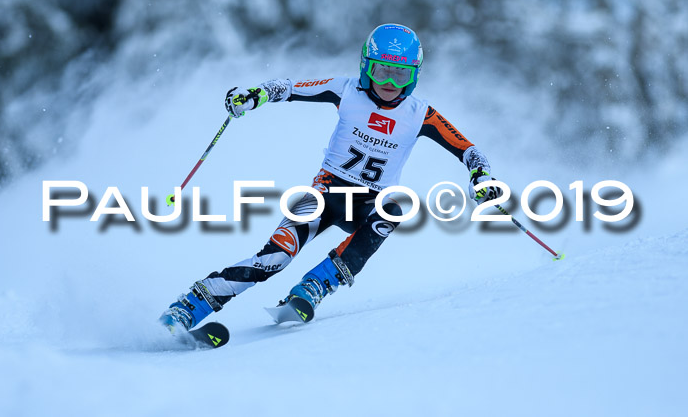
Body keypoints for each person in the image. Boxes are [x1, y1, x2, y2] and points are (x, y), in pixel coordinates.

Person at [160, 23, 502, 332]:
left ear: (414, 76)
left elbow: (468, 149)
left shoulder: (418, 113)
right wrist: (254, 95)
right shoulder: (347, 90)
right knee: (273, 260)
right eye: (382, 71)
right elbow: (290, 87)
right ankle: (189, 307)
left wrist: (481, 176)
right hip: (324, 195)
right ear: (367, 66)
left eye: (400, 76)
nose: (388, 84)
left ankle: (316, 285)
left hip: (367, 204)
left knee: (393, 210)